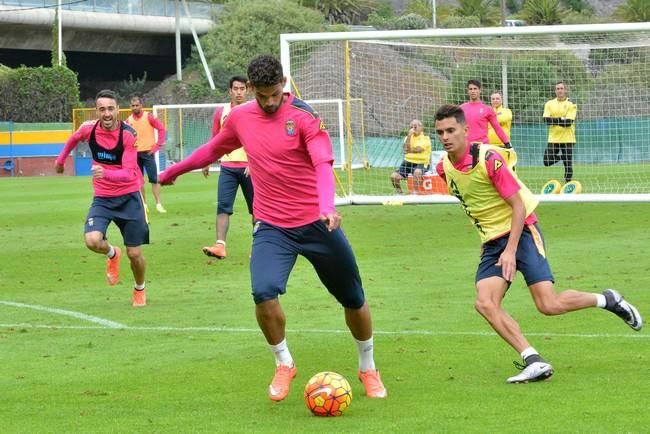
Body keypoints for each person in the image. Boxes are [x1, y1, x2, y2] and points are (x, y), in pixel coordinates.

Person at [159, 54, 387, 401]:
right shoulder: (239, 117)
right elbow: (211, 150)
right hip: (271, 226)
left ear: (284, 83)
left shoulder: (305, 117)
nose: (268, 102)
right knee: (263, 293)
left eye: (274, 93)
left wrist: (328, 206)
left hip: (316, 222)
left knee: (353, 298)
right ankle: (284, 362)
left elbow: (323, 164)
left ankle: (368, 367)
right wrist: (173, 171)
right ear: (250, 89)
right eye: (261, 95)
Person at [433, 104, 642, 384]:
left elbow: (518, 206)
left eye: (451, 130)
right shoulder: (443, 168)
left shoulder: (490, 159)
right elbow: (478, 206)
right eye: (440, 132)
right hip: (493, 243)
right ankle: (533, 359)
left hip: (523, 231)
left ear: (466, 130)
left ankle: (608, 299)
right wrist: (489, 243)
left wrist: (510, 250)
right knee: (485, 303)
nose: (445, 137)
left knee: (548, 305)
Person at [55, 89, 149, 307]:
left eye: (110, 109)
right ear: (96, 111)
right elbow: (73, 139)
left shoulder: (128, 135)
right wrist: (61, 160)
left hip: (129, 197)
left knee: (135, 254)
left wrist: (105, 173)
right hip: (103, 198)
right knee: (92, 240)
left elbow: (129, 172)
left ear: (117, 109)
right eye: (102, 109)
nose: (106, 114)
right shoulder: (89, 129)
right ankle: (112, 253)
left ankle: (139, 288)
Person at [201, 76, 254, 259]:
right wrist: (207, 160)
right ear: (229, 91)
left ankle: (259, 247)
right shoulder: (221, 112)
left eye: (242, 88)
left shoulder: (255, 110)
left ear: (247, 90)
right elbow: (215, 139)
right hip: (228, 168)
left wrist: (255, 162)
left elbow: (261, 139)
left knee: (258, 209)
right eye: (235, 88)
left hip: (251, 168)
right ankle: (220, 246)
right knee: (223, 206)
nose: (239, 92)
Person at [126, 95, 167, 213]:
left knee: (154, 179)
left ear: (141, 105)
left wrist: (157, 145)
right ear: (130, 107)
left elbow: (161, 129)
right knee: (139, 181)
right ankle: (143, 205)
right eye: (133, 105)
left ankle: (158, 204)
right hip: (135, 154)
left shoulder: (148, 116)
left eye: (137, 105)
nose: (135, 107)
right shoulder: (129, 120)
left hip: (148, 153)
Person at [543, 81, 577, 183]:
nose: (560, 90)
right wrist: (562, 119)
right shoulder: (549, 104)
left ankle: (568, 186)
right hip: (554, 138)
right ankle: (563, 157)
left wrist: (554, 119)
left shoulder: (571, 104)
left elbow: (568, 123)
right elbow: (546, 120)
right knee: (547, 161)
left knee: (568, 165)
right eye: (558, 89)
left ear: (565, 90)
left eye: (561, 88)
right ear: (555, 91)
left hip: (568, 138)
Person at [461, 80, 511, 147]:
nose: (473, 91)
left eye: (475, 89)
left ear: (480, 90)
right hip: (465, 146)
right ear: (468, 91)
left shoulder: (487, 109)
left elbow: (497, 128)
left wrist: (507, 143)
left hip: (482, 147)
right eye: (470, 89)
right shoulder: (461, 108)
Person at [390, 119, 431, 194]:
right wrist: (409, 136)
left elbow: (418, 149)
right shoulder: (408, 137)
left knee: (417, 172)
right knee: (394, 176)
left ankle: (415, 193)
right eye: (411, 127)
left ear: (421, 128)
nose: (413, 129)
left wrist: (408, 150)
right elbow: (405, 149)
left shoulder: (425, 138)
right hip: (407, 162)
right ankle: (399, 193)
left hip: (421, 163)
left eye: (415, 127)